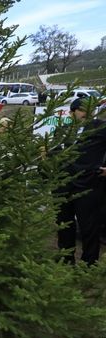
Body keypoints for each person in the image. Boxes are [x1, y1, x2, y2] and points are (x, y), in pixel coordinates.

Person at [56, 98, 106, 265]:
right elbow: (54, 152)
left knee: (89, 227)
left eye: (89, 108)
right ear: (72, 113)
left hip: (89, 184)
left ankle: (89, 264)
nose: (86, 112)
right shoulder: (62, 130)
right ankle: (66, 259)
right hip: (63, 185)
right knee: (64, 225)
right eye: (82, 109)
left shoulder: (100, 127)